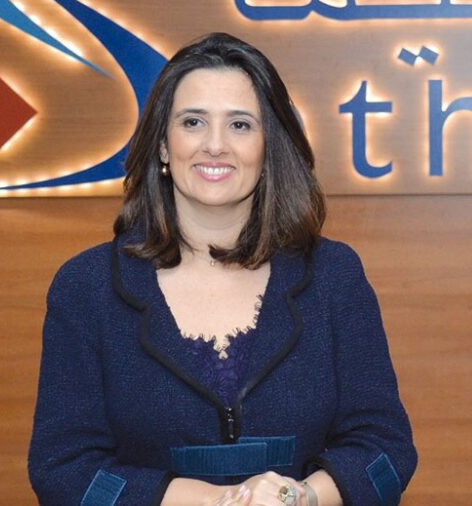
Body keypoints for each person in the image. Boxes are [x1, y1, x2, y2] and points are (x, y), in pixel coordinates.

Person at [28, 33, 417, 506]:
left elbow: (385, 450)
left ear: (268, 147)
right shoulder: (87, 288)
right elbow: (62, 470)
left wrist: (300, 497)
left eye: (240, 125)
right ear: (164, 145)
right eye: (193, 122)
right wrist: (208, 500)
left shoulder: (334, 276)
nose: (215, 145)